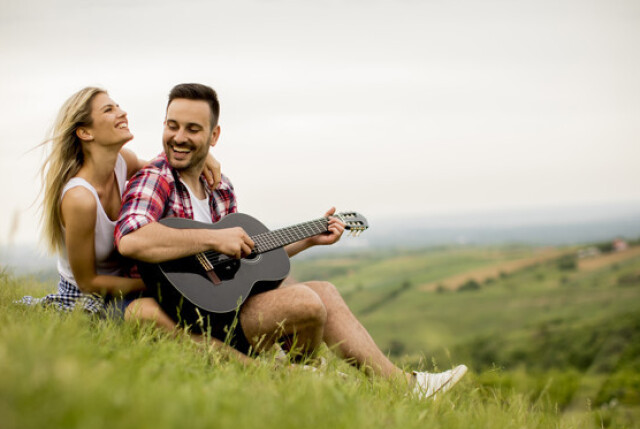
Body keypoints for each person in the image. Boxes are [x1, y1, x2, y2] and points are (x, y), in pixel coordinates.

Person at [115, 83, 467, 399]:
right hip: (186, 317)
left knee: (325, 291)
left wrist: (308, 240)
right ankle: (298, 384)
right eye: (172, 125)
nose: (178, 137)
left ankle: (406, 387)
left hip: (228, 309)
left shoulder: (220, 187)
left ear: (214, 135)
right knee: (306, 301)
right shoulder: (155, 178)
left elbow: (242, 258)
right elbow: (131, 239)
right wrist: (213, 237)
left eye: (193, 129)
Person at [19, 86, 221, 317]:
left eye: (117, 106)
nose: (122, 113)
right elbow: (88, 282)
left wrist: (204, 155)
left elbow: (168, 169)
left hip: (127, 288)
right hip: (87, 297)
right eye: (109, 110)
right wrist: (160, 283)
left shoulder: (122, 161)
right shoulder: (80, 199)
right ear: (85, 133)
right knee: (158, 316)